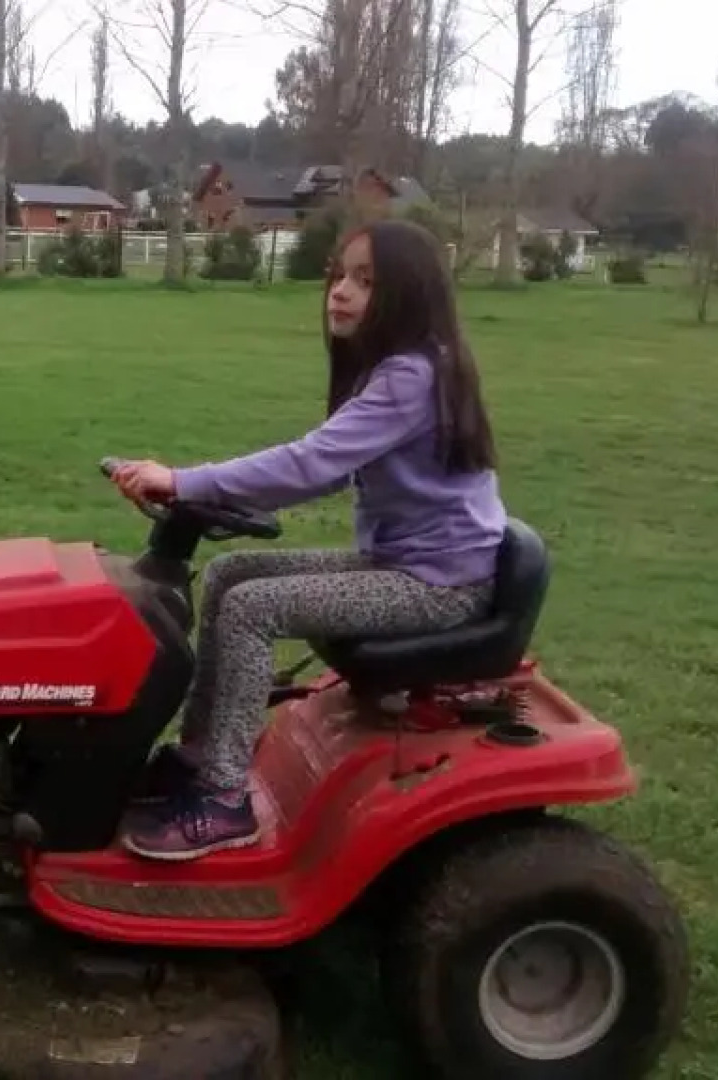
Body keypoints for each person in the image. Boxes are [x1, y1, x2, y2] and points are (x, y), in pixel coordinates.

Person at [108, 218, 508, 862]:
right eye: (338, 276)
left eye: (365, 281)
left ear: (408, 293)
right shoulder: (402, 371)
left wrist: (184, 481)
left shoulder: (410, 377)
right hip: (406, 562)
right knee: (230, 575)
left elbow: (309, 464)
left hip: (437, 586)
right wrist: (198, 490)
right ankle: (199, 754)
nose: (340, 293)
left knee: (252, 607)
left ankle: (224, 800)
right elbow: (330, 467)